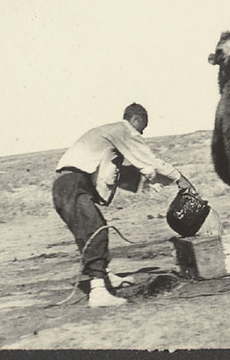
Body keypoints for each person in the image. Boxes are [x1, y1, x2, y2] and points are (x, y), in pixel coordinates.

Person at [52, 103, 193, 308]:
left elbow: (120, 172)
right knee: (95, 232)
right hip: (73, 185)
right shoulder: (124, 130)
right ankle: (98, 292)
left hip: (65, 185)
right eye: (143, 126)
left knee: (92, 229)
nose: (142, 132)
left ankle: (104, 277)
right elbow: (148, 160)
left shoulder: (108, 133)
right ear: (137, 118)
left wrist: (152, 183)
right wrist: (179, 179)